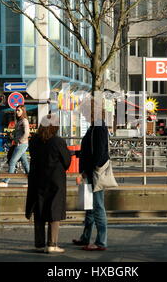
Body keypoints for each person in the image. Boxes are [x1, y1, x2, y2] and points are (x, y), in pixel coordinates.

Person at [25, 114, 71, 253]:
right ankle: (52, 244)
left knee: (39, 210)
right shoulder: (58, 141)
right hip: (54, 180)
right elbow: (67, 162)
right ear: (55, 127)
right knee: (53, 210)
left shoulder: (34, 140)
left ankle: (39, 244)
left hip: (37, 179)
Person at [73, 101, 109, 251]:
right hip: (90, 171)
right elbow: (92, 151)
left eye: (85, 112)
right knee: (89, 206)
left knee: (98, 206)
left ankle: (101, 242)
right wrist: (77, 154)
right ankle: (86, 237)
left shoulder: (98, 127)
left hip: (94, 173)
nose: (84, 115)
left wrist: (89, 170)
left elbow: (98, 153)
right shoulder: (95, 127)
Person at [0, 105, 30, 187]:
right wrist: (12, 135)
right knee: (25, 163)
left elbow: (27, 133)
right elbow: (18, 132)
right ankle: (32, 181)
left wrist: (20, 140)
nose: (17, 112)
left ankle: (6, 181)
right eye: (16, 110)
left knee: (12, 162)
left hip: (21, 144)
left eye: (18, 110)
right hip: (20, 144)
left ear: (23, 111)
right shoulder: (20, 121)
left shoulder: (24, 120)